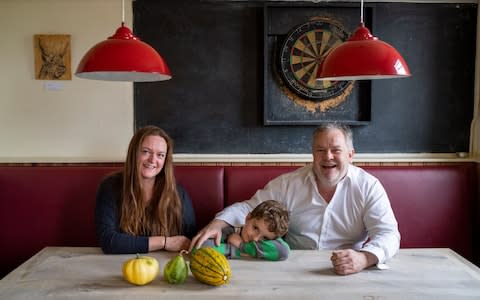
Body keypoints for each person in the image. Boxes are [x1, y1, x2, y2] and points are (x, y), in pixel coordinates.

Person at [190, 123, 400, 275]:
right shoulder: (289, 183)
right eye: (320, 150)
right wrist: (218, 223)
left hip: (347, 271)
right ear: (312, 154)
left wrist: (364, 258)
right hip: (289, 268)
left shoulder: (368, 186)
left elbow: (388, 234)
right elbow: (249, 208)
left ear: (350, 155)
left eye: (336, 150)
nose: (327, 157)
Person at [95, 125, 196, 254]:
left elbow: (188, 241)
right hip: (120, 264)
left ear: (165, 161)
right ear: (134, 153)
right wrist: (164, 242)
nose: (153, 160)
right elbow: (108, 241)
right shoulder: (110, 186)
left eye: (160, 155)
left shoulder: (178, 194)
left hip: (166, 266)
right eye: (146, 152)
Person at [199, 200, 290, 261]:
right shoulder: (229, 230)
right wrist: (254, 253)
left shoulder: (270, 242)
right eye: (255, 228)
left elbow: (284, 251)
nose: (255, 239)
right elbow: (201, 248)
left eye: (265, 237)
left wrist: (241, 246)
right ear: (248, 218)